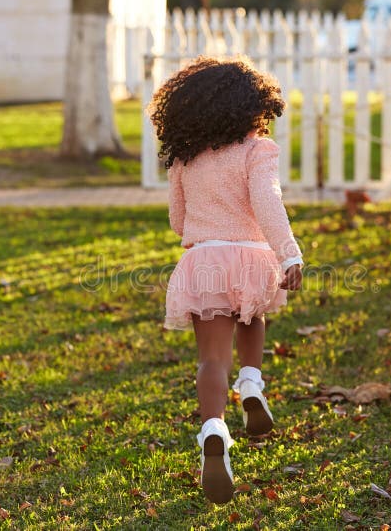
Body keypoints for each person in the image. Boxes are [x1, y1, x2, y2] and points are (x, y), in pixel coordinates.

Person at [148, 56, 304, 504]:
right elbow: (267, 204)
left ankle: (214, 428)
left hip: (205, 258)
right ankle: (252, 382)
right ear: (252, 106)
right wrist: (288, 252)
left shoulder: (185, 157)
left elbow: (178, 220)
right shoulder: (258, 150)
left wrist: (201, 232)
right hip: (254, 256)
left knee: (210, 359)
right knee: (252, 314)